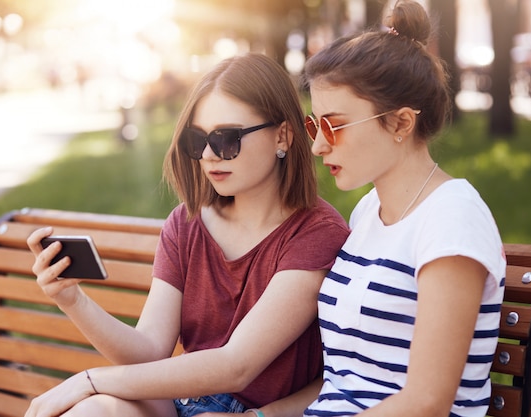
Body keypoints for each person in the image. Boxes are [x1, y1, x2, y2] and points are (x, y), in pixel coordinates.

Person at [25, 52, 349, 417]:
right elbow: (149, 350)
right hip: (185, 402)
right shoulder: (186, 223)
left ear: (283, 136)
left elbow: (236, 367)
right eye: (198, 140)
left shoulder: (317, 234)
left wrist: (90, 380)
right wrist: (72, 300)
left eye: (228, 139)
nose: (209, 155)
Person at [298, 1, 505, 416]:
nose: (319, 145)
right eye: (313, 125)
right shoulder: (367, 212)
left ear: (400, 124)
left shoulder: (453, 219)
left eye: (333, 125)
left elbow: (427, 402)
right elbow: (343, 383)